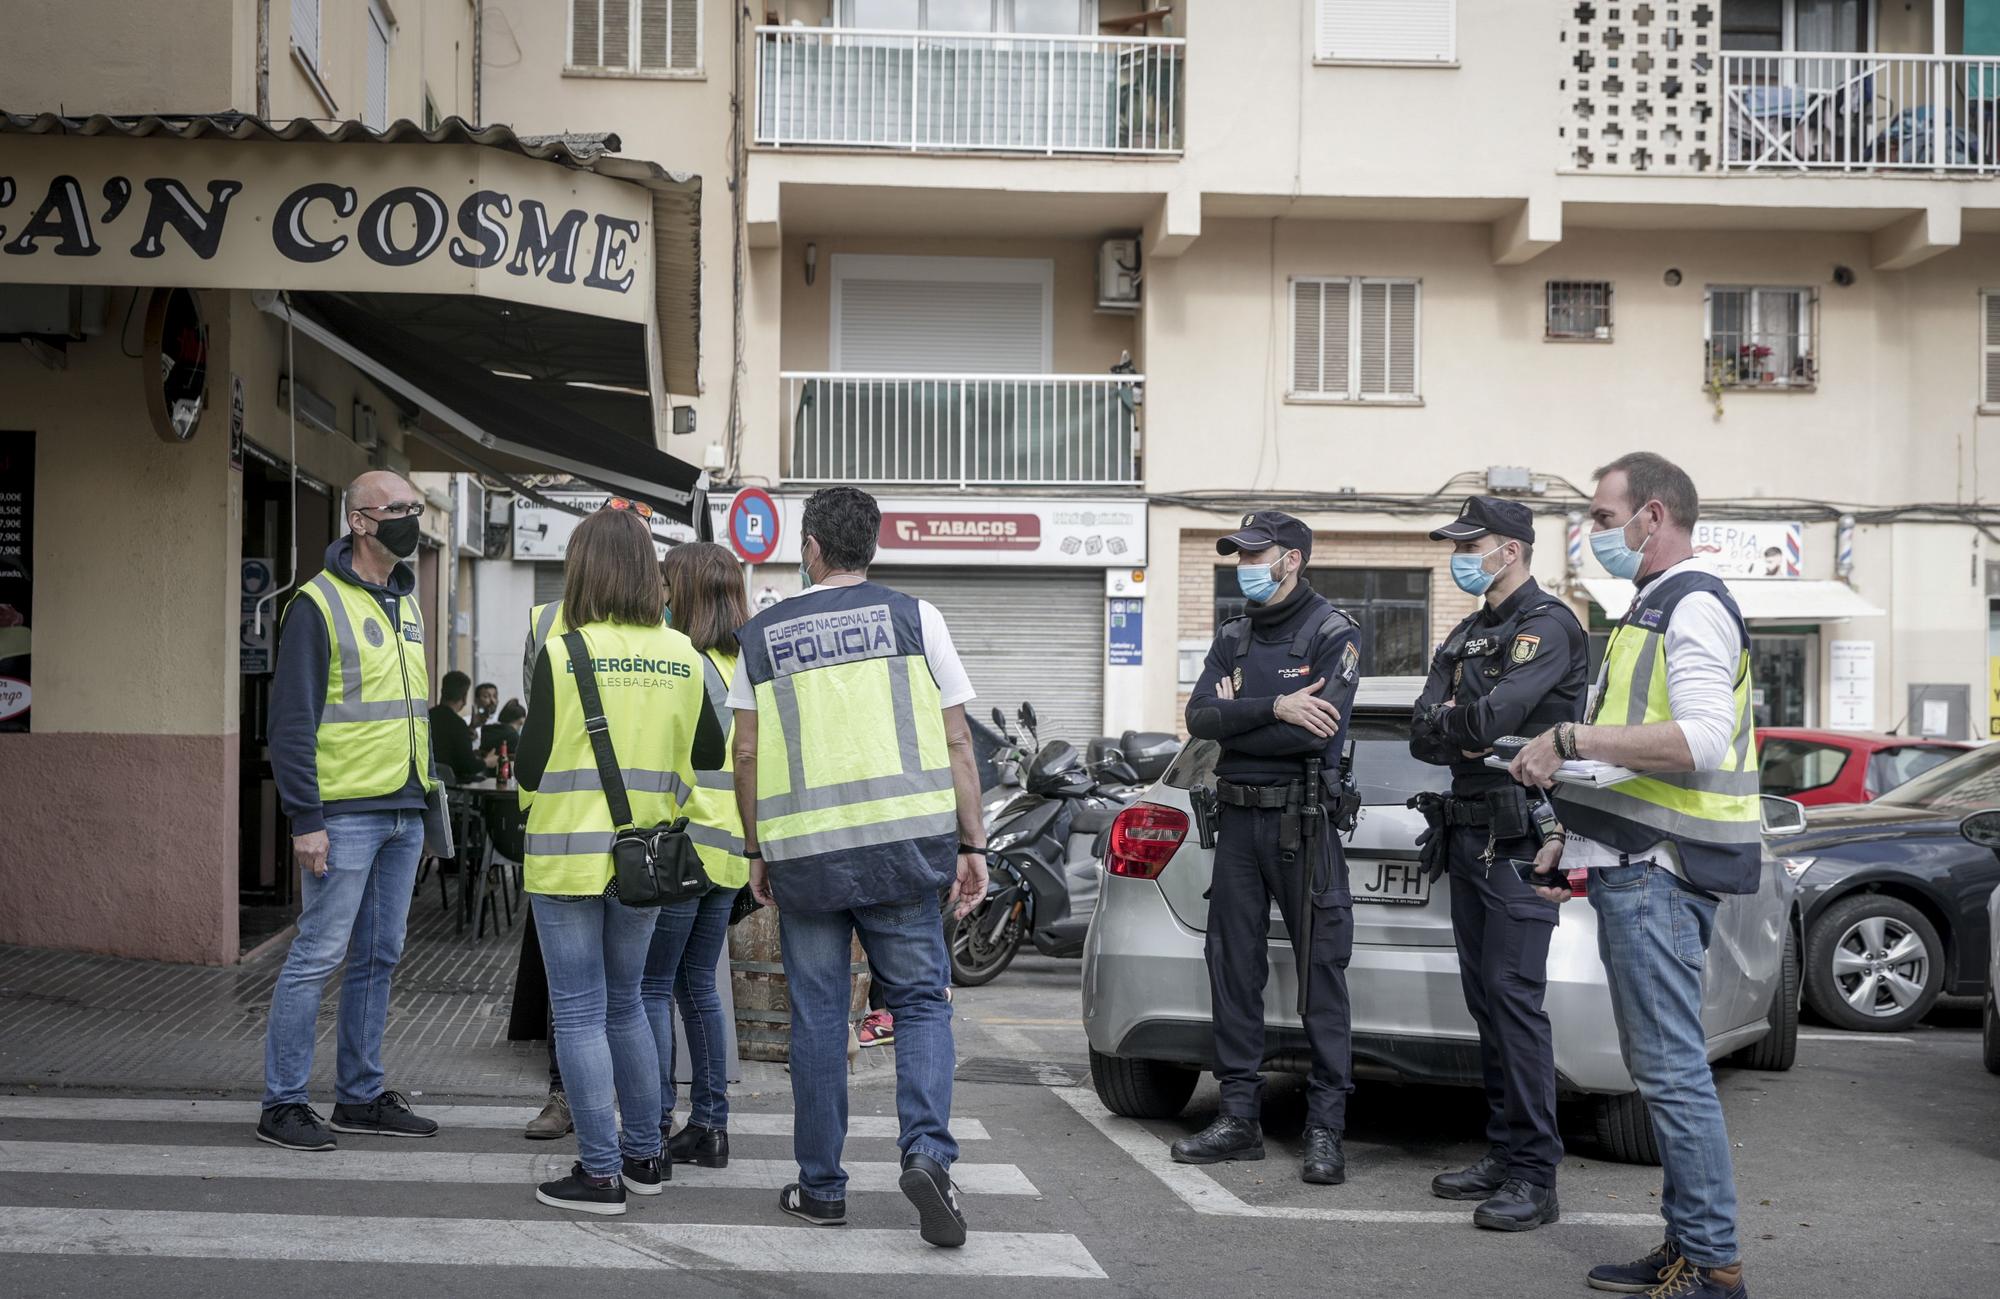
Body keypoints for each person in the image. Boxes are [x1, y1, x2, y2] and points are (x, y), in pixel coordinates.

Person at [1510, 453, 1762, 1299]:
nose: (1590, 530)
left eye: (1600, 513)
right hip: (1639, 865)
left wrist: (1570, 742)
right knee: (1664, 1068)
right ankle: (1688, 1243)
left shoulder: (1691, 606)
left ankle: (1714, 1264)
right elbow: (1640, 770)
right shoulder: (1649, 609)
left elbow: (1697, 739)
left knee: (1670, 1070)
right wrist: (1569, 843)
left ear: (1651, 517)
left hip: (1662, 873)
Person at [729, 485, 987, 1247]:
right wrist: (972, 845)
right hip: (904, 855)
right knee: (919, 1004)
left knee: (817, 1019)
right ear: (872, 544)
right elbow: (958, 741)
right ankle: (928, 1157)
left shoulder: (763, 634)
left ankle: (821, 1188)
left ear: (810, 546)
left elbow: (744, 751)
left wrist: (755, 847)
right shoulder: (916, 617)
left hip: (807, 858)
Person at [515, 500, 727, 1215]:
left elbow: (531, 765)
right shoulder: (684, 655)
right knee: (631, 1005)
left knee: (577, 1014)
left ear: (584, 571)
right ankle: (645, 1156)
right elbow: (707, 754)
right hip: (648, 862)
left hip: (568, 857)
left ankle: (599, 1173)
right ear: (648, 575)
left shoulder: (562, 650)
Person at [1408, 496, 1586, 1232]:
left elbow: (1483, 721)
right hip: (1467, 833)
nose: (1459, 554)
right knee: (1486, 1002)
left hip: (1521, 839)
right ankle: (1504, 1149)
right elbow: (1423, 731)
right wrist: (1462, 726)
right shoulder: (1470, 630)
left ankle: (1536, 1176)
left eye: (1469, 542)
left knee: (1514, 1001)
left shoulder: (1547, 626)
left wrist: (1462, 721)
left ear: (1508, 549)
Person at [258, 470, 442, 1152]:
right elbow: (292, 720)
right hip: (343, 813)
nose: (409, 520)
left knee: (379, 954)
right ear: (360, 522)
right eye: (397, 509)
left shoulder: (406, 602)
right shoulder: (317, 602)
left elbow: (408, 714)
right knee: (318, 952)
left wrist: (423, 808)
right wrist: (305, 817)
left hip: (401, 810)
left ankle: (360, 1095)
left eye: (414, 509)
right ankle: (282, 1101)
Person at [1174, 511, 1359, 1186]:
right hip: (1240, 826)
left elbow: (1316, 736)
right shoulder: (1235, 635)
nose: (1244, 562)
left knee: (1322, 978)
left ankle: (1325, 1130)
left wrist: (1242, 714)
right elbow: (1199, 719)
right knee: (1232, 969)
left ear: (1293, 560)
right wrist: (1275, 707)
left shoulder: (1333, 631)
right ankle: (1240, 1119)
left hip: (1302, 824)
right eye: (1239, 552)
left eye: (1258, 552)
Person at [645, 541, 753, 1170]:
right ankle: (710, 1126)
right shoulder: (745, 666)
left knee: (653, 985)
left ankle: (654, 1121)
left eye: (666, 584)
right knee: (700, 989)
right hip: (731, 850)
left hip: (684, 848)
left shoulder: (682, 661)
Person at [430, 670, 497, 784]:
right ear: (465, 697)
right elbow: (468, 766)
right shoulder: (458, 724)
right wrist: (487, 761)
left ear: (442, 691)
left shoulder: (428, 716)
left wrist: (471, 727)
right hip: (453, 789)